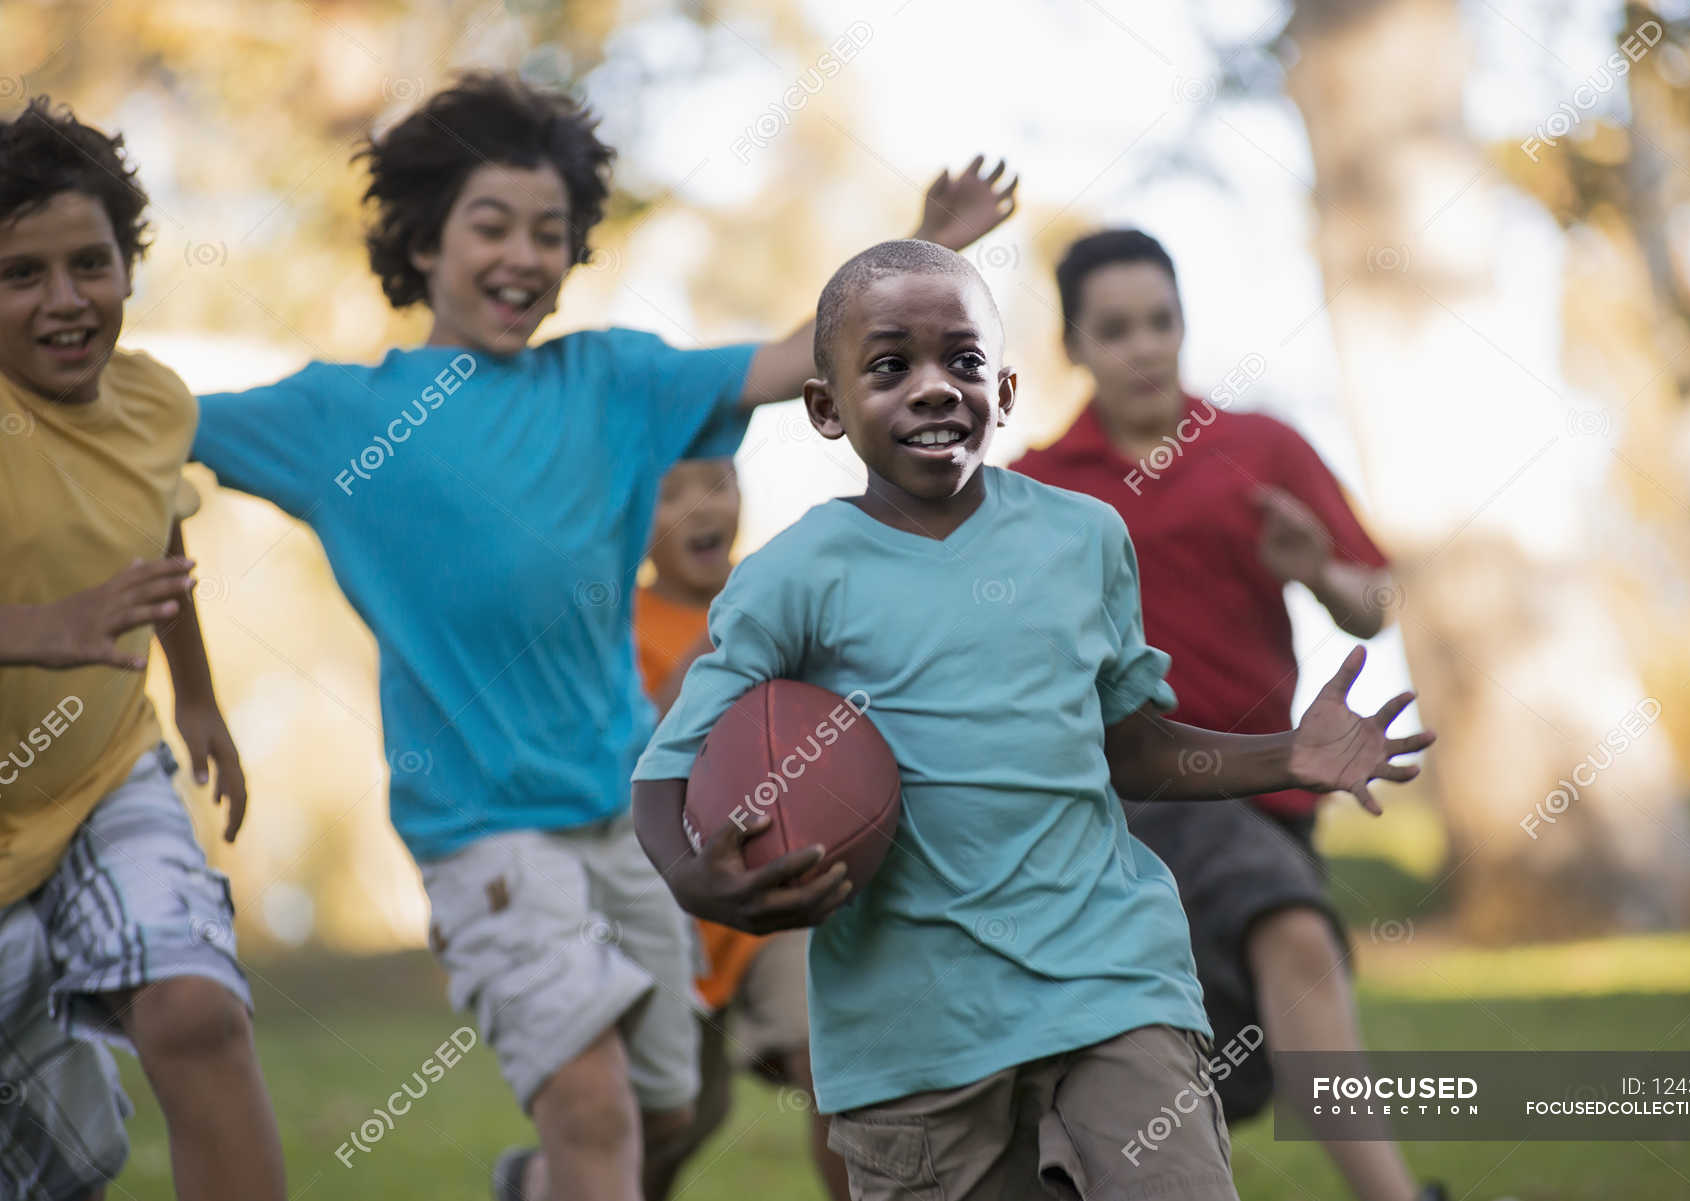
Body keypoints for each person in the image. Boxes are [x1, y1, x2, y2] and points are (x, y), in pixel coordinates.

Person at [187, 72, 1017, 1201]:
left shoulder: (614, 383)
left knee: (667, 1105)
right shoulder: (341, 417)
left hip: (631, 818)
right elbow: (150, 423)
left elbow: (790, 360)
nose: (524, 254)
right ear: (426, 238)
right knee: (592, 1105)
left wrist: (925, 246)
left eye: (551, 231)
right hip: (484, 834)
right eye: (492, 225)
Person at [632, 238, 1434, 1201]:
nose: (934, 387)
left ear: (1003, 392)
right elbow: (664, 768)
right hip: (914, 1029)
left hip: (1109, 978)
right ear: (824, 407)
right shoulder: (795, 576)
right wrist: (696, 879)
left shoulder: (1084, 536)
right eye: (890, 366)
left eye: (963, 361)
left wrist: (1284, 754)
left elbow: (1132, 746)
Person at [1011, 227, 1446, 1201]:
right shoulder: (1034, 487)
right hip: (1124, 794)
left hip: (1269, 782)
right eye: (1115, 329)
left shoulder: (1260, 448)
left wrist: (1316, 570)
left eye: (1161, 322)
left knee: (1197, 1028)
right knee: (1289, 932)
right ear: (1075, 347)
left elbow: (1372, 602)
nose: (1144, 347)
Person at [0, 98, 286, 1201]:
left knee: (196, 1007)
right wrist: (43, 630)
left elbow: (156, 536)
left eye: (90, 263)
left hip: (101, 773)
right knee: (58, 1169)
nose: (65, 300)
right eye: (20, 274)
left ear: (131, 265)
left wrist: (200, 697)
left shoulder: (154, 401)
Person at [632, 457, 851, 1201]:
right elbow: (644, 740)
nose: (702, 505)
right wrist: (731, 627)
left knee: (829, 1062)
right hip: (672, 907)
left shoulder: (781, 603)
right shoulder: (622, 626)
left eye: (718, 482)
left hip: (778, 884)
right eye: (670, 492)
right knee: (681, 1116)